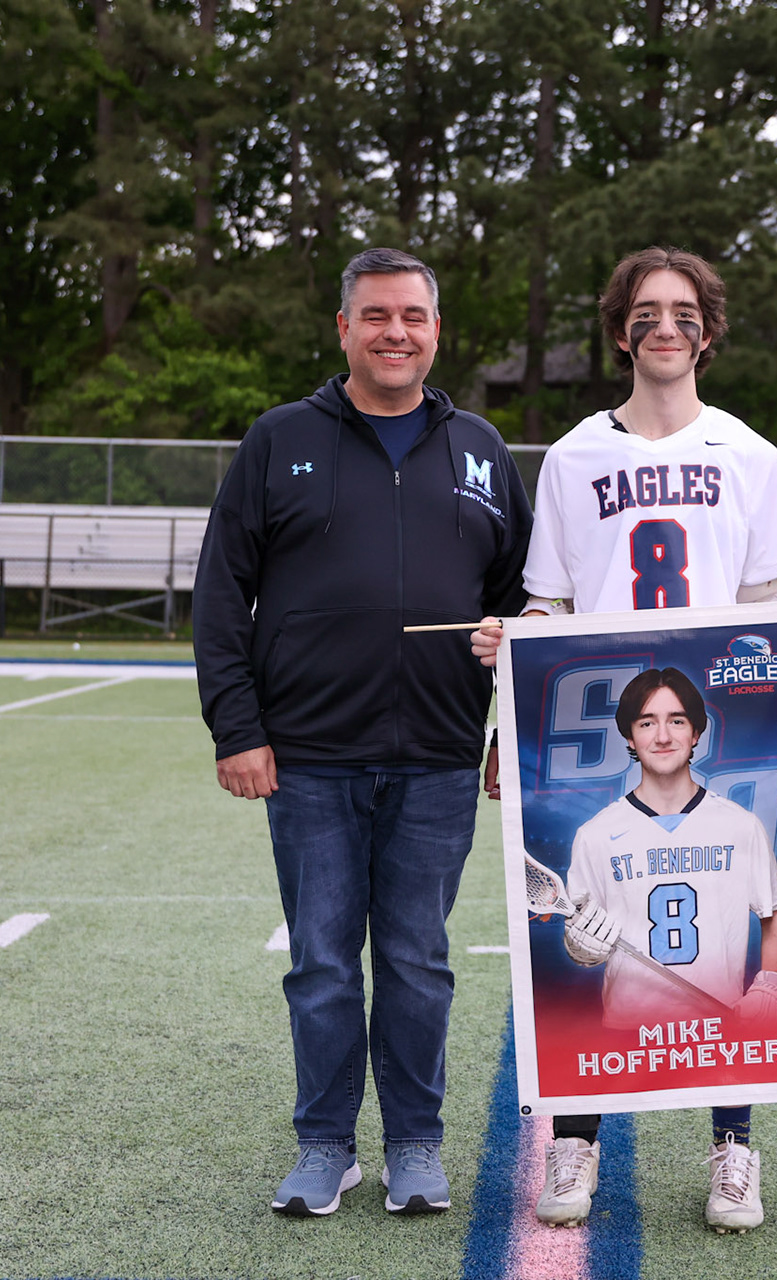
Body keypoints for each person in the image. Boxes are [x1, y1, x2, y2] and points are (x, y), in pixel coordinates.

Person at [470, 246, 777, 1233]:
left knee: (724, 933)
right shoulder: (575, 456)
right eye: (647, 312)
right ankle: (577, 1137)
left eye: (684, 311)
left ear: (709, 329)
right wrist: (509, 702)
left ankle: (733, 1145)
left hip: (716, 723)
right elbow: (548, 605)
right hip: (605, 723)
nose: (666, 326)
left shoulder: (749, 453)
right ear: (621, 331)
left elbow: (767, 603)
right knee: (600, 924)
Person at [193, 248, 534, 1218]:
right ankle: (326, 1145)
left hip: (437, 755)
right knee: (322, 963)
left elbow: (527, 603)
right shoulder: (279, 439)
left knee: (419, 962)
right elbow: (221, 593)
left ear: (437, 331)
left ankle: (416, 1143)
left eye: (413, 316)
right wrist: (237, 727)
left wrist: (513, 726)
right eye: (376, 315)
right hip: (308, 758)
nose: (396, 332)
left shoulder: (481, 448)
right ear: (343, 328)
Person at [560, 668, 777, 1032]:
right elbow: (581, 934)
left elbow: (775, 913)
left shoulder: (739, 825)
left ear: (696, 731)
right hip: (629, 1030)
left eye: (677, 721)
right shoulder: (595, 835)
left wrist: (770, 986)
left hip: (719, 1028)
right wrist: (580, 948)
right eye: (647, 723)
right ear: (629, 736)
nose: (663, 736)